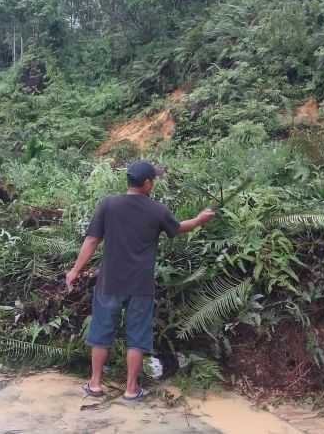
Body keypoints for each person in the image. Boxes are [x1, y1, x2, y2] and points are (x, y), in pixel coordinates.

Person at [65, 160, 216, 401]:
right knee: (136, 337)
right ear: (147, 183)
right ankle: (131, 388)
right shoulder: (157, 210)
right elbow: (178, 229)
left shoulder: (108, 205)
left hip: (109, 284)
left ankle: (94, 384)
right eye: (152, 180)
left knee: (101, 333)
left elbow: (92, 241)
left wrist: (74, 271)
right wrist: (199, 220)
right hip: (140, 287)